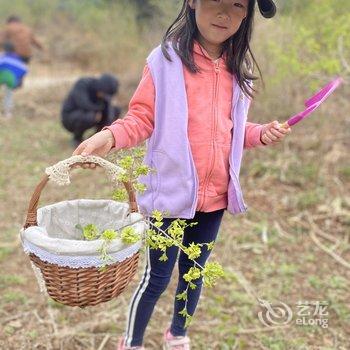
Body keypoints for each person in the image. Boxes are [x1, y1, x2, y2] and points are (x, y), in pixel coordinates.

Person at [73, 0, 290, 349]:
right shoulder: (165, 61)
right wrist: (109, 136)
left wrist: (260, 133)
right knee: (156, 277)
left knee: (194, 273)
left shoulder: (238, 66)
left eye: (238, 5)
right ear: (192, 1)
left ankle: (178, 333)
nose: (226, 14)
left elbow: (232, 128)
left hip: (214, 197)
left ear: (248, 13)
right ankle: (131, 341)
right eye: (218, 1)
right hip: (169, 199)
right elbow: (142, 118)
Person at [61, 73, 122, 147]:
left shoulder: (104, 93)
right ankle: (77, 138)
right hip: (70, 118)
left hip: (90, 114)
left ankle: (97, 137)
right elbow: (84, 104)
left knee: (115, 110)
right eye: (104, 94)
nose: (104, 96)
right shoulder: (83, 84)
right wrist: (99, 110)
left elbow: (109, 113)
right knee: (91, 116)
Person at [0, 41, 28, 119]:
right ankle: (8, 113)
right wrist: (19, 80)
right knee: (8, 95)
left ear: (5, 49)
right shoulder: (17, 58)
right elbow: (24, 69)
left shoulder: (3, 57)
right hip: (12, 78)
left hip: (1, 76)